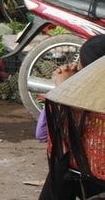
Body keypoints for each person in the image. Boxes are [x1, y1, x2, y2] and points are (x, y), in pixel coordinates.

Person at [37, 34, 105, 200]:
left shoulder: (81, 107)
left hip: (91, 177)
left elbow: (43, 135)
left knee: (62, 164)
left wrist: (64, 92)